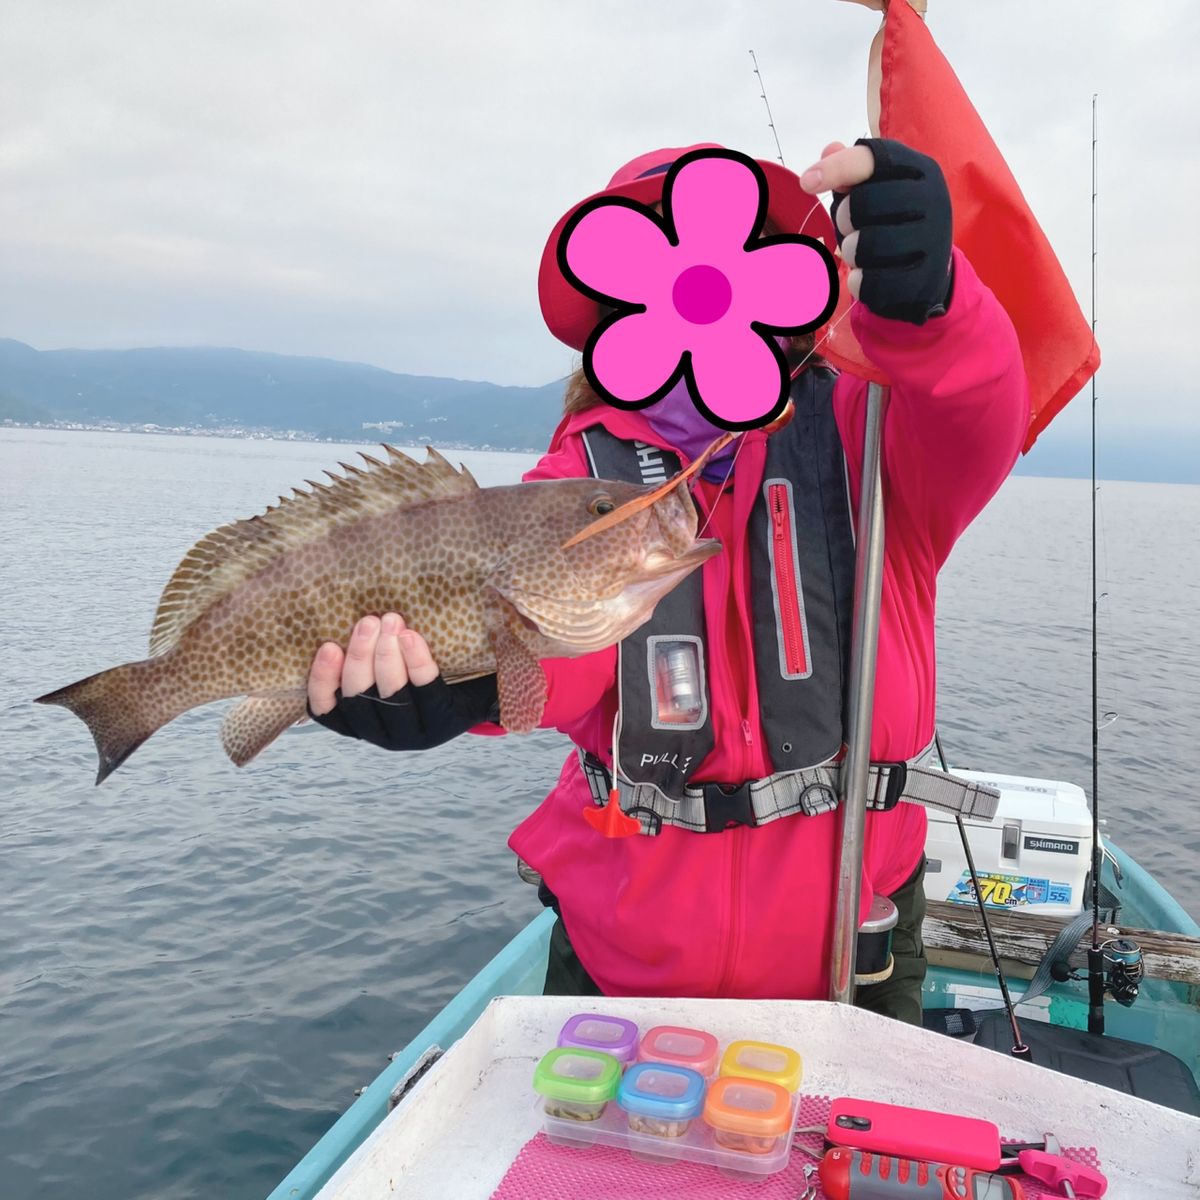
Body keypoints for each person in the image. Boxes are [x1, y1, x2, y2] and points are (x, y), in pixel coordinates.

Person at [306, 138, 1029, 1024]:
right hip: (621, 969)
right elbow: (559, 648)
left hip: (854, 959)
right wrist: (456, 691)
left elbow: (981, 411)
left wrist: (935, 303)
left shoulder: (874, 437)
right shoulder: (578, 483)